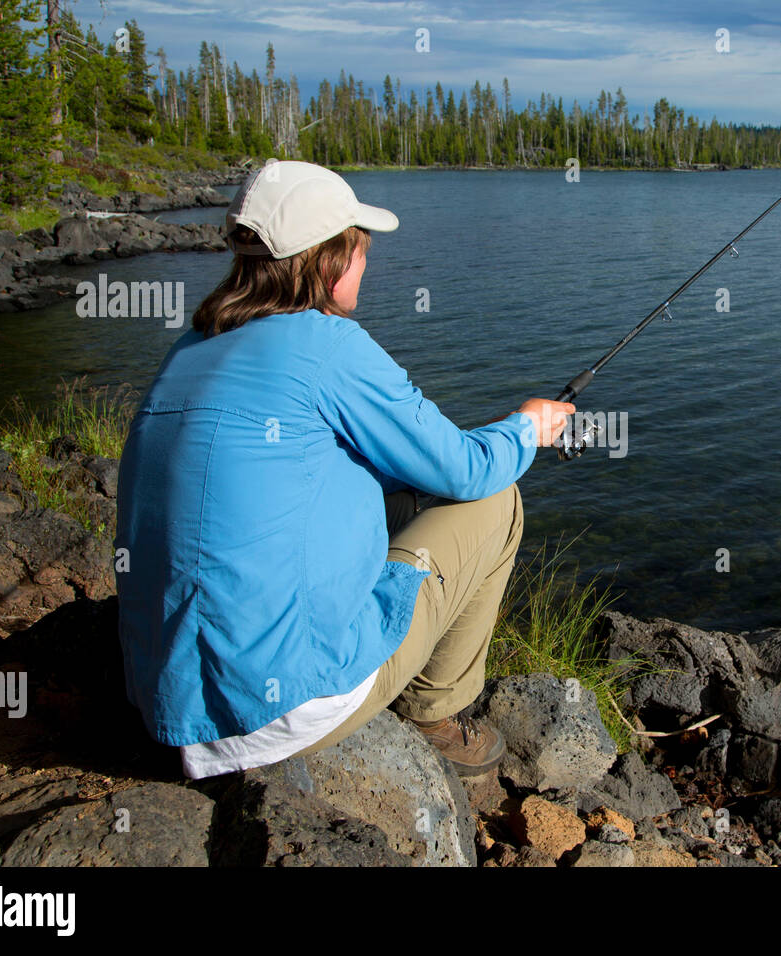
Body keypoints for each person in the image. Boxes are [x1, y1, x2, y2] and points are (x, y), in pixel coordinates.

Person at [115, 159, 574, 779]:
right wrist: (529, 426)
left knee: (399, 491)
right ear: (332, 262)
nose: (367, 263)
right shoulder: (329, 346)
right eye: (361, 249)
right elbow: (467, 470)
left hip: (166, 710)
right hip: (281, 715)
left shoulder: (191, 347)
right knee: (496, 503)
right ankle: (436, 711)